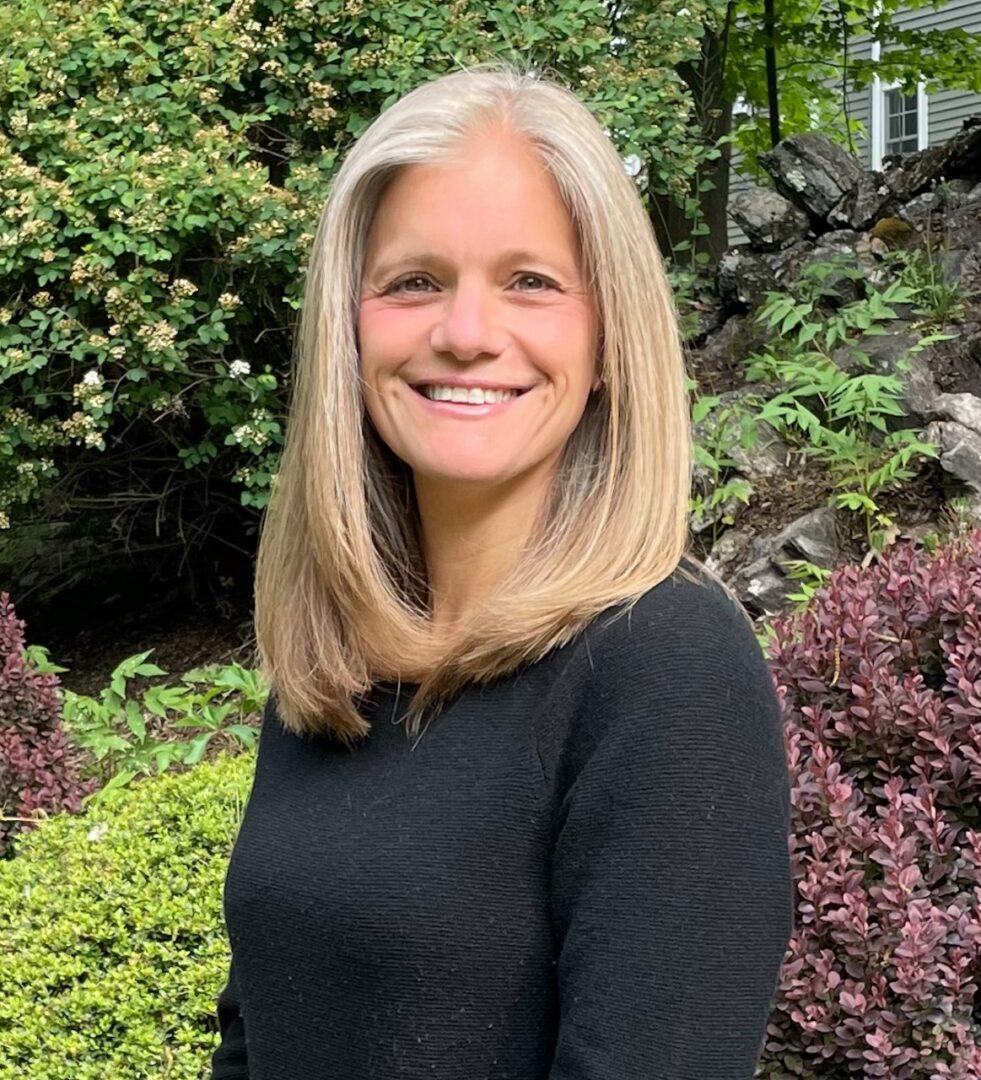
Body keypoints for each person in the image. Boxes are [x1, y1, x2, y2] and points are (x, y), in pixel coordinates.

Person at [210, 60, 795, 1080]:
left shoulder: (665, 670)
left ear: (607, 335)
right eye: (413, 282)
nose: (467, 334)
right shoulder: (335, 667)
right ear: (350, 328)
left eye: (530, 281)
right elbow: (255, 1043)